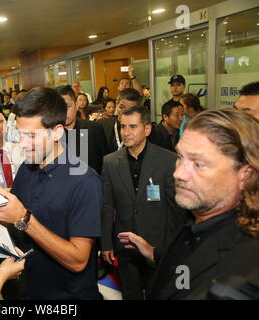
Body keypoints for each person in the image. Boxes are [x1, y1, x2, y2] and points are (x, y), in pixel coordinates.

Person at [117, 109, 259, 300]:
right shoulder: (197, 223)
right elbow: (190, 267)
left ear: (246, 175)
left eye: (198, 164)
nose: (179, 174)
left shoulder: (245, 272)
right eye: (180, 157)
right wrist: (154, 254)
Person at [0, 87, 102, 300]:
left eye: (31, 136)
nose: (22, 144)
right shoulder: (28, 168)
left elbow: (78, 260)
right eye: (19, 135)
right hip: (31, 290)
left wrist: (24, 219)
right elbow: (12, 220)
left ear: (57, 132)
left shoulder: (85, 182)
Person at [100, 106, 188, 300]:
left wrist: (171, 247)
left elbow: (176, 210)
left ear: (147, 129)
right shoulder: (110, 162)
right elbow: (107, 205)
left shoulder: (168, 160)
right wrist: (106, 242)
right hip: (125, 245)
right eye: (123, 127)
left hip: (158, 245)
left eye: (132, 126)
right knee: (130, 294)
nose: (126, 132)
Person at [59, 85, 108, 174]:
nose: (63, 112)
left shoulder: (94, 129)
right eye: (58, 108)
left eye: (67, 106)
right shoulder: (50, 134)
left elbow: (104, 163)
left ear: (76, 105)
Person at [98, 88, 142, 155]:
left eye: (130, 109)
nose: (125, 112)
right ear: (116, 105)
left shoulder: (142, 129)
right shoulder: (102, 125)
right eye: (121, 107)